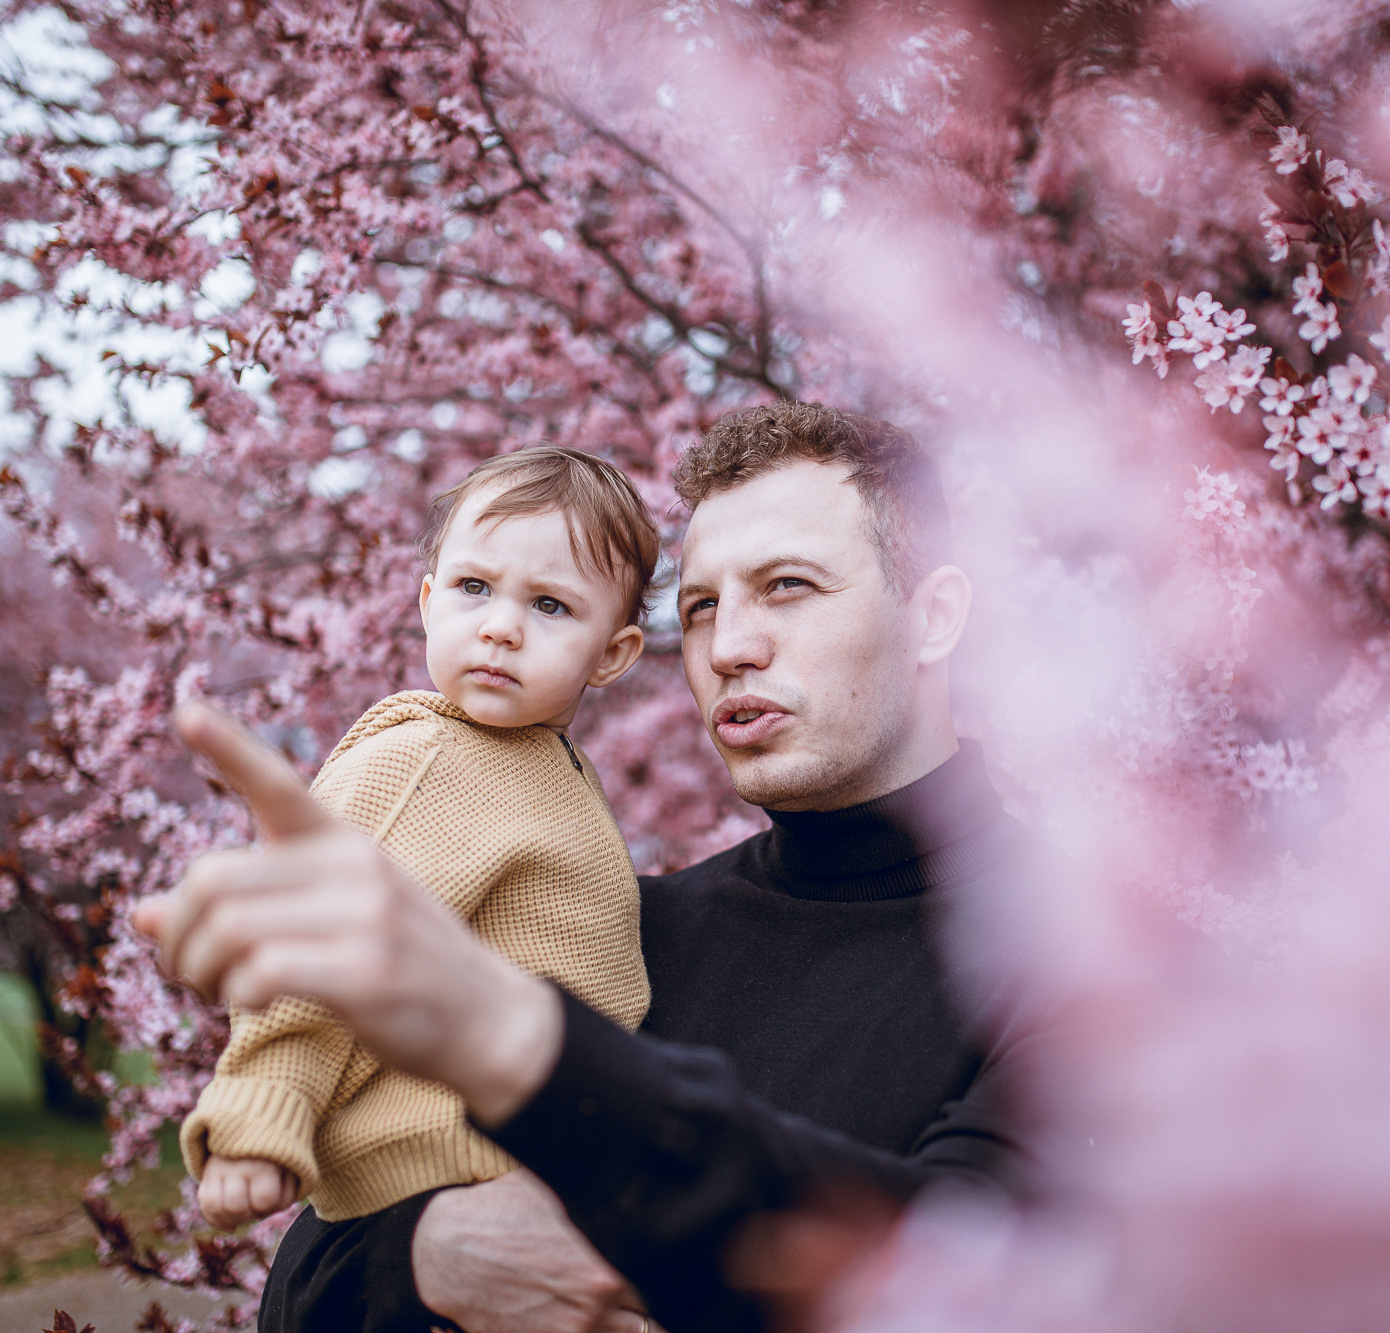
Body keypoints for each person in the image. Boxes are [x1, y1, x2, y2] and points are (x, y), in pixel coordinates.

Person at [142, 403, 1025, 1333]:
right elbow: (304, 1282)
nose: (728, 648)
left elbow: (976, 1277)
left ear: (933, 616)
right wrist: (422, 1257)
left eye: (789, 586)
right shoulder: (632, 932)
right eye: (701, 607)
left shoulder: (1110, 988)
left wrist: (531, 1052)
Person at [176, 449, 658, 1294]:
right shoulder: (423, 757)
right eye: (475, 588)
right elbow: (318, 941)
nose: (501, 625)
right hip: (434, 1168)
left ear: (612, 654)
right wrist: (261, 1114)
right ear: (429, 599)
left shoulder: (545, 768)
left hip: (542, 1167)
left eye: (549, 604)